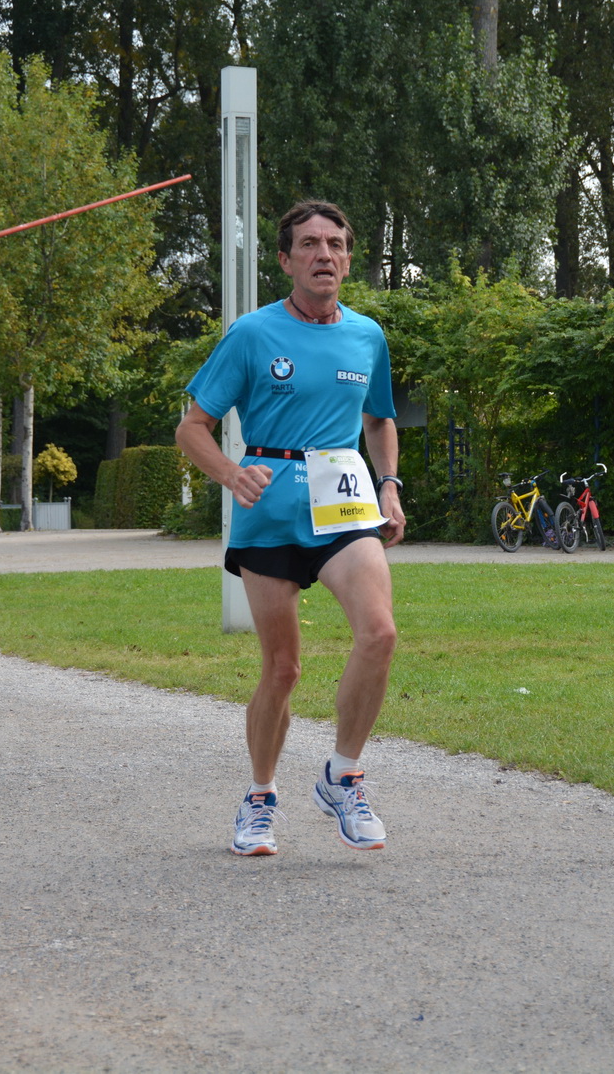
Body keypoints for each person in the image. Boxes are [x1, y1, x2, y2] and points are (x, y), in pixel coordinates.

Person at [175, 200, 405, 858]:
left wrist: (388, 484)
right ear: (285, 259)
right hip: (270, 506)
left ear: (349, 257)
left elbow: (380, 418)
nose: (324, 254)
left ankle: (344, 776)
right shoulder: (251, 334)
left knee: (380, 630)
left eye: (336, 243)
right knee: (282, 668)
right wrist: (229, 473)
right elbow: (192, 427)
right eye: (309, 244)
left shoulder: (367, 336)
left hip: (343, 500)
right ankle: (259, 796)